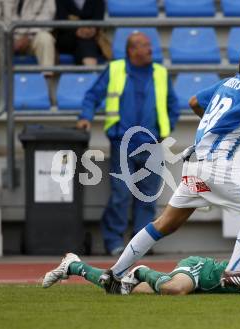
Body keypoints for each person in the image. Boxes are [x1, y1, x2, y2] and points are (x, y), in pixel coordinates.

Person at [97, 43, 240, 294]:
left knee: (165, 224)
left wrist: (213, 121)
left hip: (194, 166)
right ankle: (234, 272)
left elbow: (194, 101)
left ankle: (114, 273)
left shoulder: (225, 84)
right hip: (217, 165)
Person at [76, 32, 180, 256]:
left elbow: (173, 105)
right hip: (122, 143)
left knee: (147, 197)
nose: (150, 49)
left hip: (152, 144)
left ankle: (139, 245)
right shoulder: (115, 69)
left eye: (150, 45)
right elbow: (92, 96)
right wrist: (85, 117)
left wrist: (165, 129)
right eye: (144, 45)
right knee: (121, 195)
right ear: (131, 50)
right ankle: (113, 242)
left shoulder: (160, 73)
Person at [42, 220, 240, 295]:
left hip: (206, 288)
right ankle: (142, 270)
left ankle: (73, 265)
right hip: (200, 271)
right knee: (174, 290)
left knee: (116, 288)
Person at [0, 0, 56, 81]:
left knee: (46, 39)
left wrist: (28, 36)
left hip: (32, 35)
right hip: (6, 37)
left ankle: (46, 86)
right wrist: (9, 37)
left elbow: (48, 17)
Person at [55, 0, 110, 66]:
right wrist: (76, 31)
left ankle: (89, 72)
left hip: (90, 37)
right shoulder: (59, 1)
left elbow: (98, 20)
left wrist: (91, 30)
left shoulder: (98, 1)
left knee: (86, 42)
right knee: (87, 43)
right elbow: (61, 20)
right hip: (66, 39)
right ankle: (91, 73)